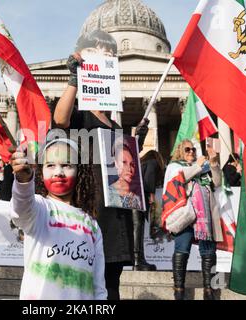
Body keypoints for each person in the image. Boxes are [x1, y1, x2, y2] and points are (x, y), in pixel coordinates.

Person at [53, 29, 149, 300]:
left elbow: (123, 170)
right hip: (88, 214)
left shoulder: (116, 127)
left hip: (115, 219)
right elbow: (59, 121)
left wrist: (132, 143)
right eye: (96, 51)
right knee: (82, 289)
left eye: (110, 53)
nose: (104, 57)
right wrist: (74, 79)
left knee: (110, 289)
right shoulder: (79, 116)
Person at [10, 137, 107, 299]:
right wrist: (24, 181)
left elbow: (98, 284)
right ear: (41, 173)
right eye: (50, 165)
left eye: (66, 165)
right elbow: (21, 209)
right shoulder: (40, 209)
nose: (58, 172)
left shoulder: (92, 224)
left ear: (79, 171)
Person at [163, 139, 223, 300]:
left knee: (209, 251)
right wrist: (198, 166)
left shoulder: (203, 167)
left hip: (205, 216)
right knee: (182, 249)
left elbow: (217, 182)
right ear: (180, 151)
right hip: (186, 214)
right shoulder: (174, 167)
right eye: (187, 149)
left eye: (193, 150)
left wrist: (214, 163)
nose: (191, 152)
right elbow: (181, 177)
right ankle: (179, 290)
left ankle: (209, 291)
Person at [131, 150, 165, 271]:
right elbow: (149, 176)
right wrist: (151, 193)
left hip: (132, 196)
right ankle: (138, 260)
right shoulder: (153, 162)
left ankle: (137, 259)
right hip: (140, 197)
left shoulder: (141, 163)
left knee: (136, 227)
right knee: (138, 227)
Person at [108, 137, 142, 210]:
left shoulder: (136, 198)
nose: (129, 169)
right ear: (115, 163)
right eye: (124, 162)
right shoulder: (108, 194)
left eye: (132, 164)